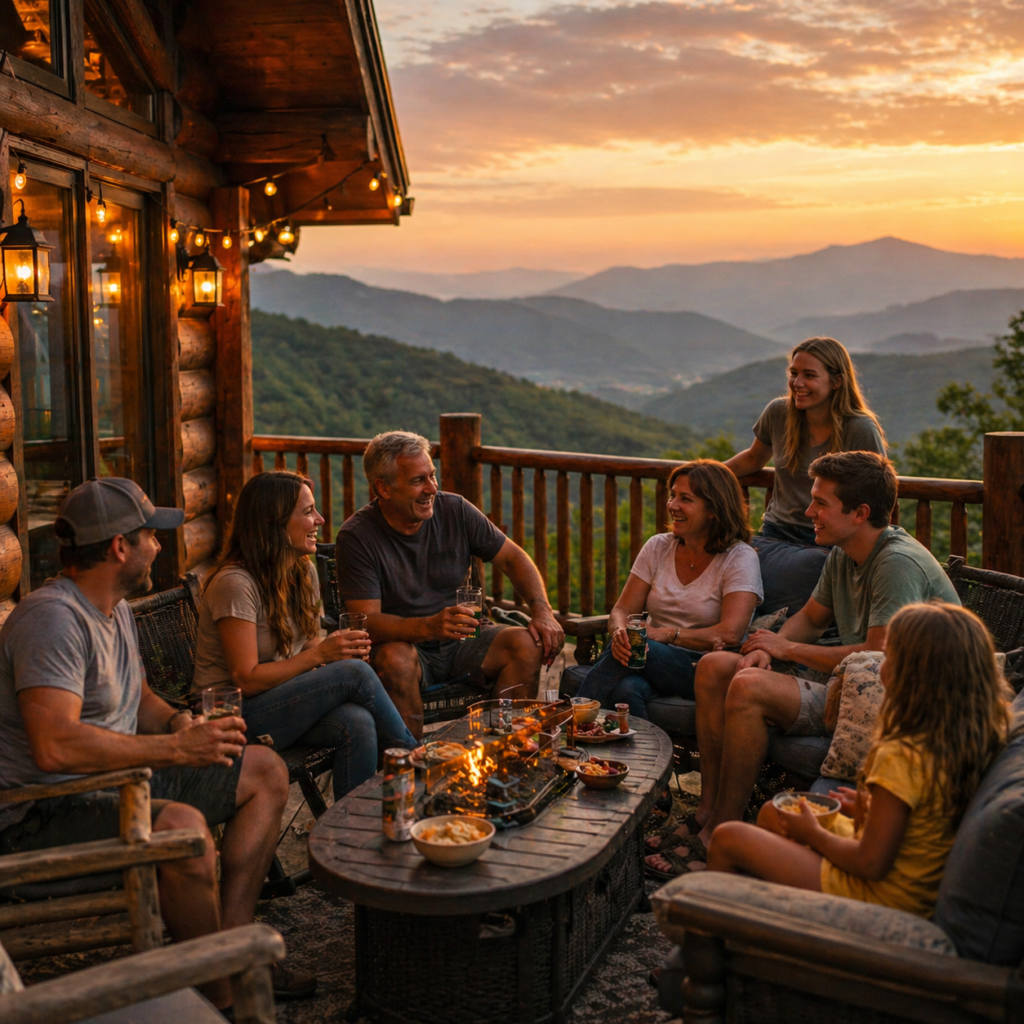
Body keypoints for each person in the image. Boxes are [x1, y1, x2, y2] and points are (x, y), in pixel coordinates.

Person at [0, 477, 314, 1010]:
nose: (161, 545)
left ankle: (232, 946)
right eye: (152, 535)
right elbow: (54, 747)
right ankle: (222, 999)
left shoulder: (115, 607)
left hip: (117, 784)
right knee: (182, 829)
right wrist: (175, 752)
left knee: (262, 769)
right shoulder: (52, 620)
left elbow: (140, 696)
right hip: (43, 812)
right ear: (121, 547)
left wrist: (178, 726)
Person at [646, 451, 960, 879]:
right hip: (847, 680)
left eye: (820, 503)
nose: (807, 511)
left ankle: (722, 829)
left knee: (748, 688)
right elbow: (811, 620)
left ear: (860, 512)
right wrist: (767, 647)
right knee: (716, 666)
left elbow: (879, 653)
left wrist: (785, 651)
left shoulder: (895, 563)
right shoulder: (843, 551)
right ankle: (706, 812)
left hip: (890, 697)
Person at [707, 602, 1008, 919]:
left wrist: (814, 835)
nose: (880, 667)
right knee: (773, 813)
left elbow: (870, 863)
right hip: (911, 882)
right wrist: (867, 806)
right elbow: (918, 819)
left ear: (915, 674)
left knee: (728, 839)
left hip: (883, 895)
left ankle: (710, 950)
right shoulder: (956, 735)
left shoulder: (901, 752)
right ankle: (761, 920)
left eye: (890, 656)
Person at [193, 471, 416, 798]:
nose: (321, 520)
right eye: (308, 511)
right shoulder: (235, 584)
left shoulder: (301, 571)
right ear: (274, 521)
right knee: (353, 674)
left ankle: (351, 831)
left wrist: (335, 652)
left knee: (357, 721)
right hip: (228, 715)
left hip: (279, 702)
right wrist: (326, 657)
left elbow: (310, 643)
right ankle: (418, 760)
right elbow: (247, 679)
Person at [336, 431, 565, 739]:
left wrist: (542, 611)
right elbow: (367, 623)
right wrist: (429, 627)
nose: (432, 488)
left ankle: (502, 749)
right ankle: (411, 763)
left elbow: (513, 558)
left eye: (432, 476)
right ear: (383, 487)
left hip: (466, 640)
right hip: (408, 649)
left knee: (525, 644)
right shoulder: (357, 536)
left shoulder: (454, 509)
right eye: (418, 480)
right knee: (395, 660)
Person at [577, 460, 762, 720]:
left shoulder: (739, 558)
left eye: (685, 499)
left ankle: (569, 722)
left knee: (642, 649)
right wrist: (619, 632)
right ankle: (640, 760)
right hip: (646, 657)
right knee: (628, 690)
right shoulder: (658, 547)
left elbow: (730, 633)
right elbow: (622, 609)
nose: (672, 505)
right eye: (673, 495)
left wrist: (667, 634)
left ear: (713, 509)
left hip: (704, 666)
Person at [726, 336, 886, 546]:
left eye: (809, 375)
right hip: (777, 531)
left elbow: (879, 491)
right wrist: (705, 477)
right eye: (793, 373)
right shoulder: (778, 413)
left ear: (837, 381)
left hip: (832, 537)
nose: (797, 383)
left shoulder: (859, 428)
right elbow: (754, 458)